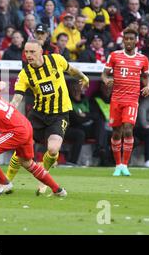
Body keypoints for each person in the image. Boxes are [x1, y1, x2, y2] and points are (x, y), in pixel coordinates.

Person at [5, 40, 89, 195]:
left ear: (41, 51)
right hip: (38, 115)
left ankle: (42, 177)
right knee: (21, 149)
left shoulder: (56, 60)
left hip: (59, 114)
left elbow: (72, 70)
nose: (29, 55)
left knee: (53, 149)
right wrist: (9, 111)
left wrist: (84, 77)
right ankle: (5, 182)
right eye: (26, 52)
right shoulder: (25, 74)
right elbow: (17, 97)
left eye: (32, 52)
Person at [101, 28, 149, 176]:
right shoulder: (114, 56)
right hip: (116, 100)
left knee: (128, 128)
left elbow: (146, 77)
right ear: (123, 40)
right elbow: (104, 74)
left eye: (131, 39)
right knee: (116, 132)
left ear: (136, 41)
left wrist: (148, 86)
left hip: (132, 100)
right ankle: (118, 165)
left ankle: (125, 164)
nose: (128, 41)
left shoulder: (143, 59)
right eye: (126, 39)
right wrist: (106, 80)